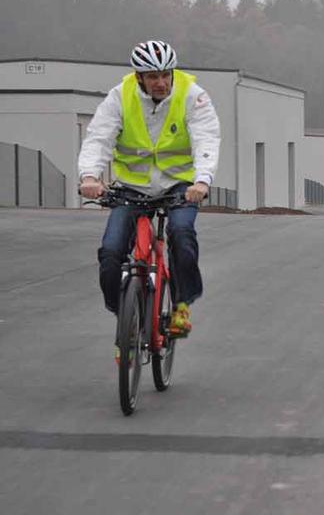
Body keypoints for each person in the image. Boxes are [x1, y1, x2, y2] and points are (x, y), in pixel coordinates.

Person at [78, 40, 221, 337]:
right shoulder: (119, 97)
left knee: (182, 235)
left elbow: (206, 139)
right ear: (138, 77)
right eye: (152, 76)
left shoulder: (193, 96)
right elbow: (99, 138)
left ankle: (182, 305)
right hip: (132, 188)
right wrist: (90, 176)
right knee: (110, 252)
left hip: (180, 186)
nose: (161, 82)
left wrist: (202, 180)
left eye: (166, 74)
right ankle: (125, 316)